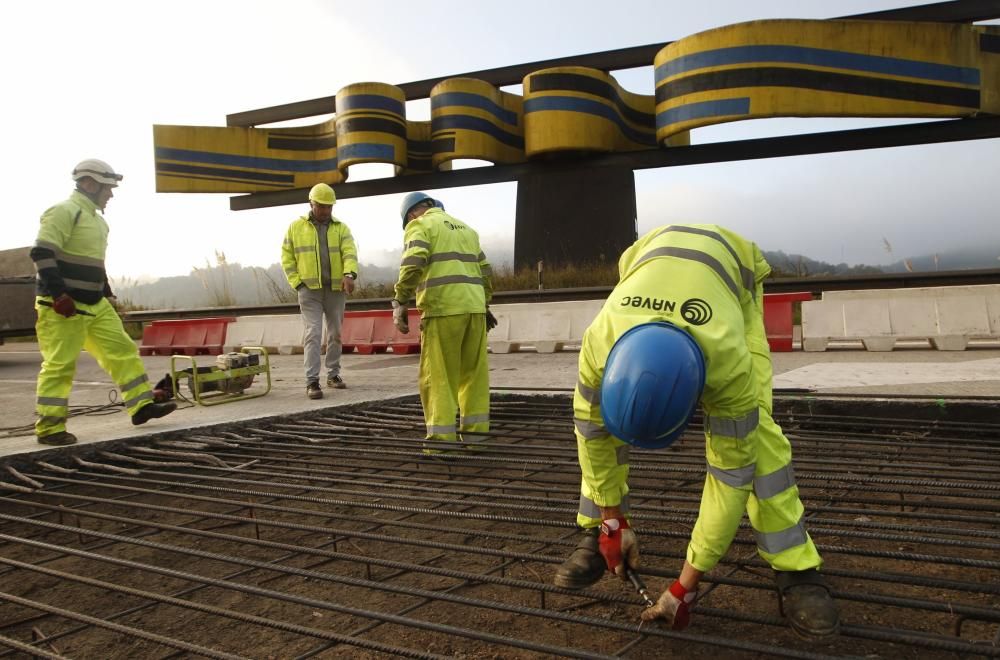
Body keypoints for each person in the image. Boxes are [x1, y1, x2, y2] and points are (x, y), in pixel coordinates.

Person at [553, 223, 839, 639]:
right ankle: (597, 532)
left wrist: (686, 584)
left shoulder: (728, 365)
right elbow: (592, 435)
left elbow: (730, 474)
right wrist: (613, 521)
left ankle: (796, 567)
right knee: (596, 433)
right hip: (649, 254)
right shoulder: (599, 343)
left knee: (758, 440)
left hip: (731, 275)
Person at [30, 159, 177, 446]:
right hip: (63, 306)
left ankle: (141, 406)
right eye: (108, 188)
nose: (111, 194)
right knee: (59, 365)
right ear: (90, 183)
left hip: (95, 304)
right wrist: (59, 295)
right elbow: (41, 254)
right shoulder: (64, 212)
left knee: (122, 351)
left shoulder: (98, 222)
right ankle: (49, 428)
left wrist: (106, 293)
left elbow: (95, 264)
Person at [391, 192, 496, 453]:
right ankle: (476, 438)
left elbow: (413, 264)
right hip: (474, 309)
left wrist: (400, 299)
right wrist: (484, 303)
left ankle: (441, 442)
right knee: (473, 376)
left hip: (443, 310)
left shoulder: (420, 226)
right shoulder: (467, 229)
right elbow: (486, 272)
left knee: (438, 377)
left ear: (412, 214)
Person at [281, 183, 358, 400]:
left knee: (336, 334)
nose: (325, 211)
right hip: (309, 291)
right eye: (320, 206)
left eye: (329, 207)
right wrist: (297, 283)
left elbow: (350, 253)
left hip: (335, 289)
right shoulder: (296, 228)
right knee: (313, 334)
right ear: (311, 204)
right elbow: (287, 257)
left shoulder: (341, 228)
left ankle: (333, 375)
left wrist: (349, 274)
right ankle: (312, 381)